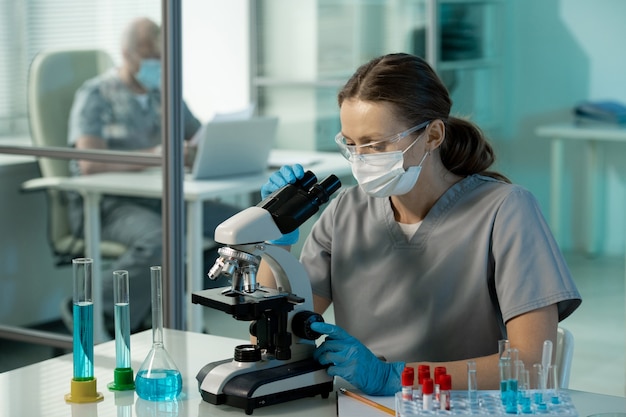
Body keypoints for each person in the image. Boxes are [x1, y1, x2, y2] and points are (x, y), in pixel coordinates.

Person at [259, 53, 582, 395]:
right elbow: (273, 340)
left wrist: (395, 378)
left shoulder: (505, 210)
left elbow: (531, 366)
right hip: (361, 404)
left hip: (462, 406)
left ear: (432, 135)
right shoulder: (346, 211)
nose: (360, 160)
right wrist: (274, 239)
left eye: (376, 144)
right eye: (351, 145)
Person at [65, 17, 239, 332]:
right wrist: (153, 157)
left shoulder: (164, 93)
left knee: (240, 229)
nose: (156, 65)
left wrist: (204, 150)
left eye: (161, 58)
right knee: (164, 237)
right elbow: (88, 162)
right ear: (126, 53)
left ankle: (157, 302)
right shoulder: (96, 95)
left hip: (163, 198)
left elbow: (198, 138)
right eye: (149, 58)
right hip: (109, 204)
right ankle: (94, 306)